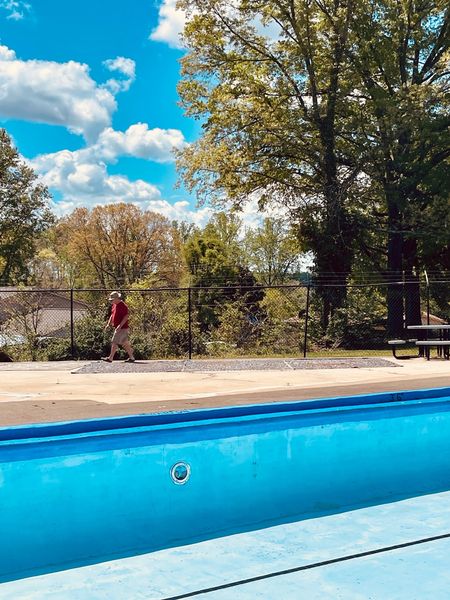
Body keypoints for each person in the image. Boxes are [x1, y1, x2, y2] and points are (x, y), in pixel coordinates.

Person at [102, 291, 135, 363]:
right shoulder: (114, 305)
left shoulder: (123, 306)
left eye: (112, 299)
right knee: (125, 343)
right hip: (118, 327)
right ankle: (132, 357)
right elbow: (112, 315)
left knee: (114, 341)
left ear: (117, 298)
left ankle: (110, 358)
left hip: (123, 328)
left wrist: (120, 326)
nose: (111, 301)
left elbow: (126, 317)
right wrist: (108, 324)